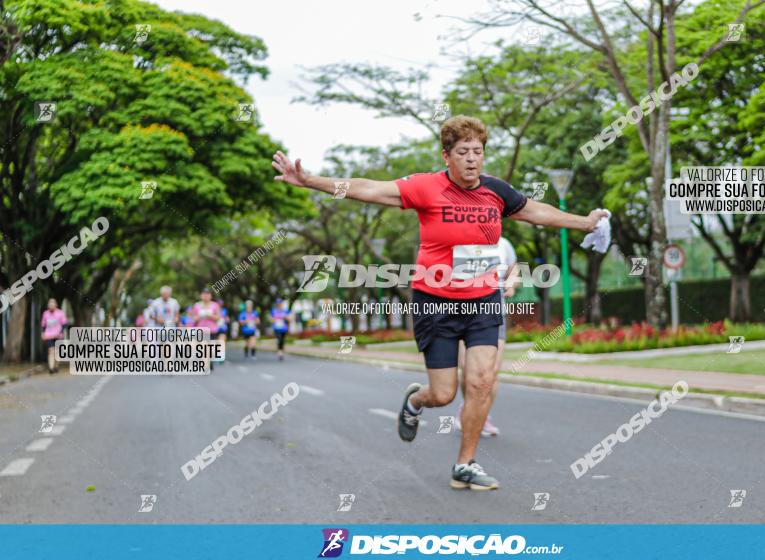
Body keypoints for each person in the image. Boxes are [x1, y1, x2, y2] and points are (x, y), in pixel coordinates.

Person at [272, 115, 607, 491]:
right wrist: (312, 181)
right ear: (446, 155)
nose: (471, 159)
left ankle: (465, 464)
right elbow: (369, 188)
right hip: (436, 302)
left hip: (483, 301)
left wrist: (585, 222)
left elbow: (536, 211)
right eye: (463, 152)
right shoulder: (425, 187)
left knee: (481, 382)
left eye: (477, 152)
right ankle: (416, 401)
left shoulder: (497, 192)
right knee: (444, 394)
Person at [454, 235, 518, 436]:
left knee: (492, 371)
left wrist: (512, 284)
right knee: (467, 368)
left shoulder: (504, 244)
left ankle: (482, 416)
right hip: (462, 308)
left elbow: (513, 268)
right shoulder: (458, 240)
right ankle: (468, 408)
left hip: (493, 309)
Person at [190, 289, 221, 370]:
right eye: (204, 294)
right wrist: (200, 316)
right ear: (201, 296)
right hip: (201, 330)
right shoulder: (197, 306)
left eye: (207, 294)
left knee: (211, 349)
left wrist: (210, 315)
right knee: (204, 348)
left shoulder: (215, 305)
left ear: (210, 296)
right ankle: (206, 365)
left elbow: (218, 317)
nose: (206, 296)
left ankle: (209, 361)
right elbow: (193, 318)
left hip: (212, 330)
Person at [41, 298, 67, 374]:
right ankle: (51, 368)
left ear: (56, 305)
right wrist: (42, 333)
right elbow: (43, 325)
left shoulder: (60, 313)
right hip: (49, 335)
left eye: (53, 303)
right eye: (50, 304)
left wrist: (61, 332)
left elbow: (64, 324)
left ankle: (56, 366)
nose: (51, 305)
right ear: (48, 305)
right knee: (51, 351)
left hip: (58, 335)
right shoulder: (45, 313)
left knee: (57, 352)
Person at [216, 300, 228, 365]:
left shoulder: (224, 310)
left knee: (222, 342)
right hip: (215, 329)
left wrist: (225, 320)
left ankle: (221, 357)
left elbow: (227, 319)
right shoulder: (213, 310)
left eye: (220, 304)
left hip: (222, 329)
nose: (219, 305)